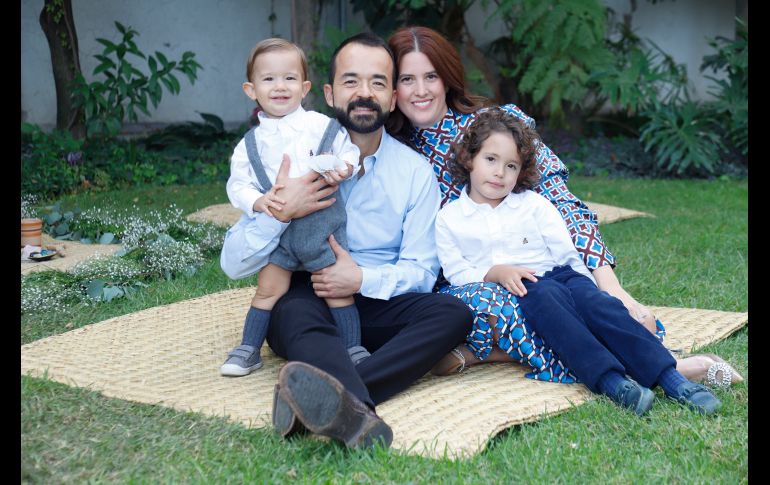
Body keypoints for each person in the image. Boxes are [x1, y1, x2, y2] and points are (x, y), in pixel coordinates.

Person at [386, 26, 742, 388]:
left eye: (430, 76)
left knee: (571, 302)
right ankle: (648, 364)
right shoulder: (392, 153)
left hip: (537, 275)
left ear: (447, 78)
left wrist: (613, 289)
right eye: (407, 79)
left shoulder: (500, 125)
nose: (420, 90)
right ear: (391, 85)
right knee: (486, 308)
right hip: (463, 282)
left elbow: (562, 203)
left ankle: (491, 352)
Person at [220, 33, 472, 448]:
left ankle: (330, 399)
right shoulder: (290, 160)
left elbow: (422, 271)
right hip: (310, 294)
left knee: (452, 314)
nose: (363, 94)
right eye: (351, 81)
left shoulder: (413, 172)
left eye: (377, 83)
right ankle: (358, 411)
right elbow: (233, 264)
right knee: (292, 316)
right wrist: (283, 211)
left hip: (375, 300)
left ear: (392, 98)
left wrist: (360, 280)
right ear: (328, 92)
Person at [435, 108, 721, 415]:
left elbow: (566, 254)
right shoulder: (450, 218)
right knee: (546, 299)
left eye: (511, 166)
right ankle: (613, 382)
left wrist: (586, 290)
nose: (499, 173)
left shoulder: (532, 204)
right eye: (490, 160)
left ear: (521, 171)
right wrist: (495, 272)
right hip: (525, 290)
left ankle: (672, 378)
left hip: (560, 274)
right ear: (469, 158)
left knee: (598, 305)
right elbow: (455, 271)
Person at [220, 38, 373, 378]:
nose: (279, 87)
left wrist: (344, 167)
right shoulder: (249, 145)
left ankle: (353, 347)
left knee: (336, 289)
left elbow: (347, 150)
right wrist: (258, 201)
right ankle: (248, 348)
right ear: (251, 89)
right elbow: (238, 184)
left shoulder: (320, 126)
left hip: (323, 229)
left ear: (304, 88)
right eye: (268, 79)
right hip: (282, 234)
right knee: (268, 289)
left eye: (289, 78)